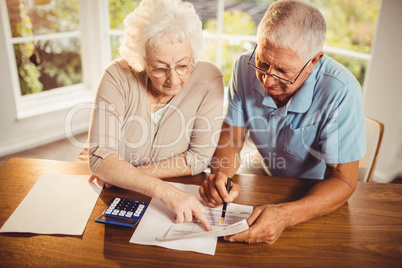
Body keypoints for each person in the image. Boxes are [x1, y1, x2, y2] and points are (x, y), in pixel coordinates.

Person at [199, 0, 366, 244]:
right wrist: (221, 177)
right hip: (268, 180)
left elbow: (343, 180)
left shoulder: (342, 90)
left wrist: (285, 216)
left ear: (314, 61)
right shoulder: (242, 67)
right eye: (263, 63)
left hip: (317, 196)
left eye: (284, 71)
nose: (267, 81)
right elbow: (232, 139)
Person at [87, 0, 224, 231]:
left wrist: (128, 174)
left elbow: (199, 158)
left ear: (193, 56)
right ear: (142, 61)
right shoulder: (116, 76)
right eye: (160, 68)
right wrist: (164, 190)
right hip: (115, 199)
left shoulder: (209, 78)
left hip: (129, 191)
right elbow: (100, 158)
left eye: (183, 66)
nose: (173, 80)